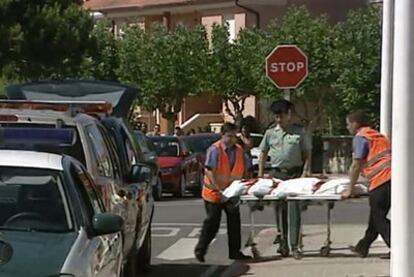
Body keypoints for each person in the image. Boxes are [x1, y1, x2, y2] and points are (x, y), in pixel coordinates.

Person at [258, 100, 310, 260]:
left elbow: (307, 154)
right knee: (279, 210)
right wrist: (261, 175)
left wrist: (305, 172)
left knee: (293, 211)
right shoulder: (270, 133)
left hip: (294, 174)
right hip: (277, 175)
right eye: (276, 117)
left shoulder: (299, 133)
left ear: (289, 114)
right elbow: (263, 154)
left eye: (281, 116)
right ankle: (283, 244)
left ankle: (295, 245)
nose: (279, 120)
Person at [194, 123, 252, 262]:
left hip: (231, 193)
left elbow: (245, 170)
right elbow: (209, 171)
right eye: (229, 136)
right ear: (222, 135)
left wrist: (244, 186)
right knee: (212, 224)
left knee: (234, 223)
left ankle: (235, 252)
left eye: (234, 136)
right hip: (214, 193)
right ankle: (200, 250)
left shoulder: (239, 151)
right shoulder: (215, 150)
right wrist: (218, 189)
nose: (232, 139)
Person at [343, 111, 391, 259]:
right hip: (393, 179)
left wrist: (350, 189)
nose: (347, 127)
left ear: (355, 124)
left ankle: (398, 247)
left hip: (381, 181)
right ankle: (362, 246)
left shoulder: (361, 137)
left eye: (348, 124)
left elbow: (357, 164)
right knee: (375, 217)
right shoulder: (377, 136)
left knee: (379, 218)